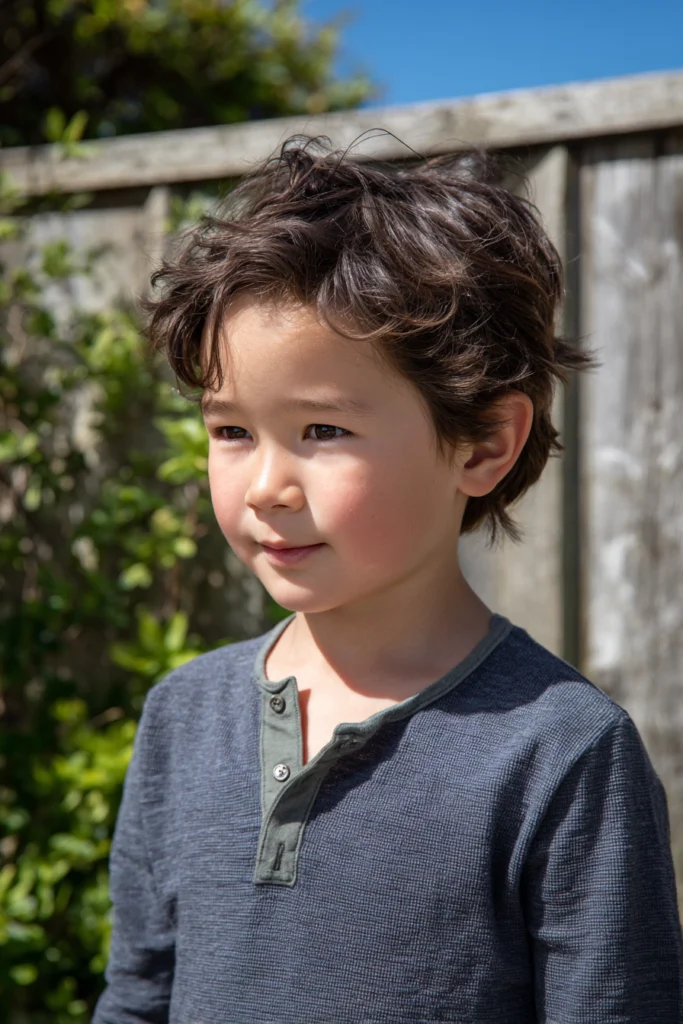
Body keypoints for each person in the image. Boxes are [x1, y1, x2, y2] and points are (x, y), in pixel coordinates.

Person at [92, 137, 682, 1024]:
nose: (264, 487)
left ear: (484, 443)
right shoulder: (183, 715)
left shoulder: (560, 753)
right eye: (231, 432)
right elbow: (137, 997)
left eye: (322, 430)